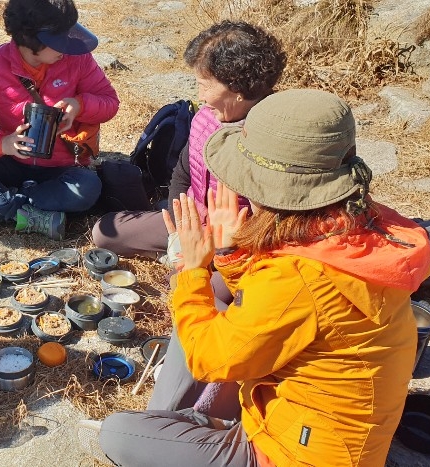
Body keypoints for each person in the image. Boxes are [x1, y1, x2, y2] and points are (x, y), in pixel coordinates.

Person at [90, 89, 430, 466]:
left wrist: (189, 269)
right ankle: (190, 420)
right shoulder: (359, 225)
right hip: (322, 429)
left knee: (119, 433)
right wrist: (227, 254)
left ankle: (185, 423)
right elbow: (276, 308)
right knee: (217, 300)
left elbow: (210, 359)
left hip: (294, 454)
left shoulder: (299, 276)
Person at [91, 21, 285, 418]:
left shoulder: (276, 136)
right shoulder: (207, 116)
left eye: (204, 82)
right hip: (194, 224)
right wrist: (183, 230)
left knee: (208, 296)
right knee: (104, 233)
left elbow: (276, 228)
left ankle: (181, 404)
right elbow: (183, 173)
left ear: (239, 87)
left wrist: (219, 249)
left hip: (242, 249)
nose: (198, 91)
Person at [0, 0, 119, 240]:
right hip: (10, 162)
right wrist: (2, 144)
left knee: (88, 187)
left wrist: (80, 105)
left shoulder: (77, 59)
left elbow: (110, 103)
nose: (66, 46)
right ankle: (27, 211)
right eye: (59, 38)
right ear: (31, 38)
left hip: (62, 169)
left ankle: (5, 205)